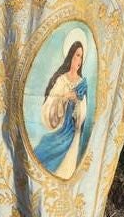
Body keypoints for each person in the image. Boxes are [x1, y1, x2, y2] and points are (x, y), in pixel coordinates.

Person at [34, 36, 89, 179]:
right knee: (44, 146)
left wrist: (76, 100)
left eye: (81, 57)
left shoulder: (82, 84)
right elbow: (50, 105)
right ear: (71, 56)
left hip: (74, 134)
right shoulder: (61, 80)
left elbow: (83, 114)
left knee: (66, 171)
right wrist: (63, 99)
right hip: (61, 130)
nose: (79, 60)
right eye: (77, 55)